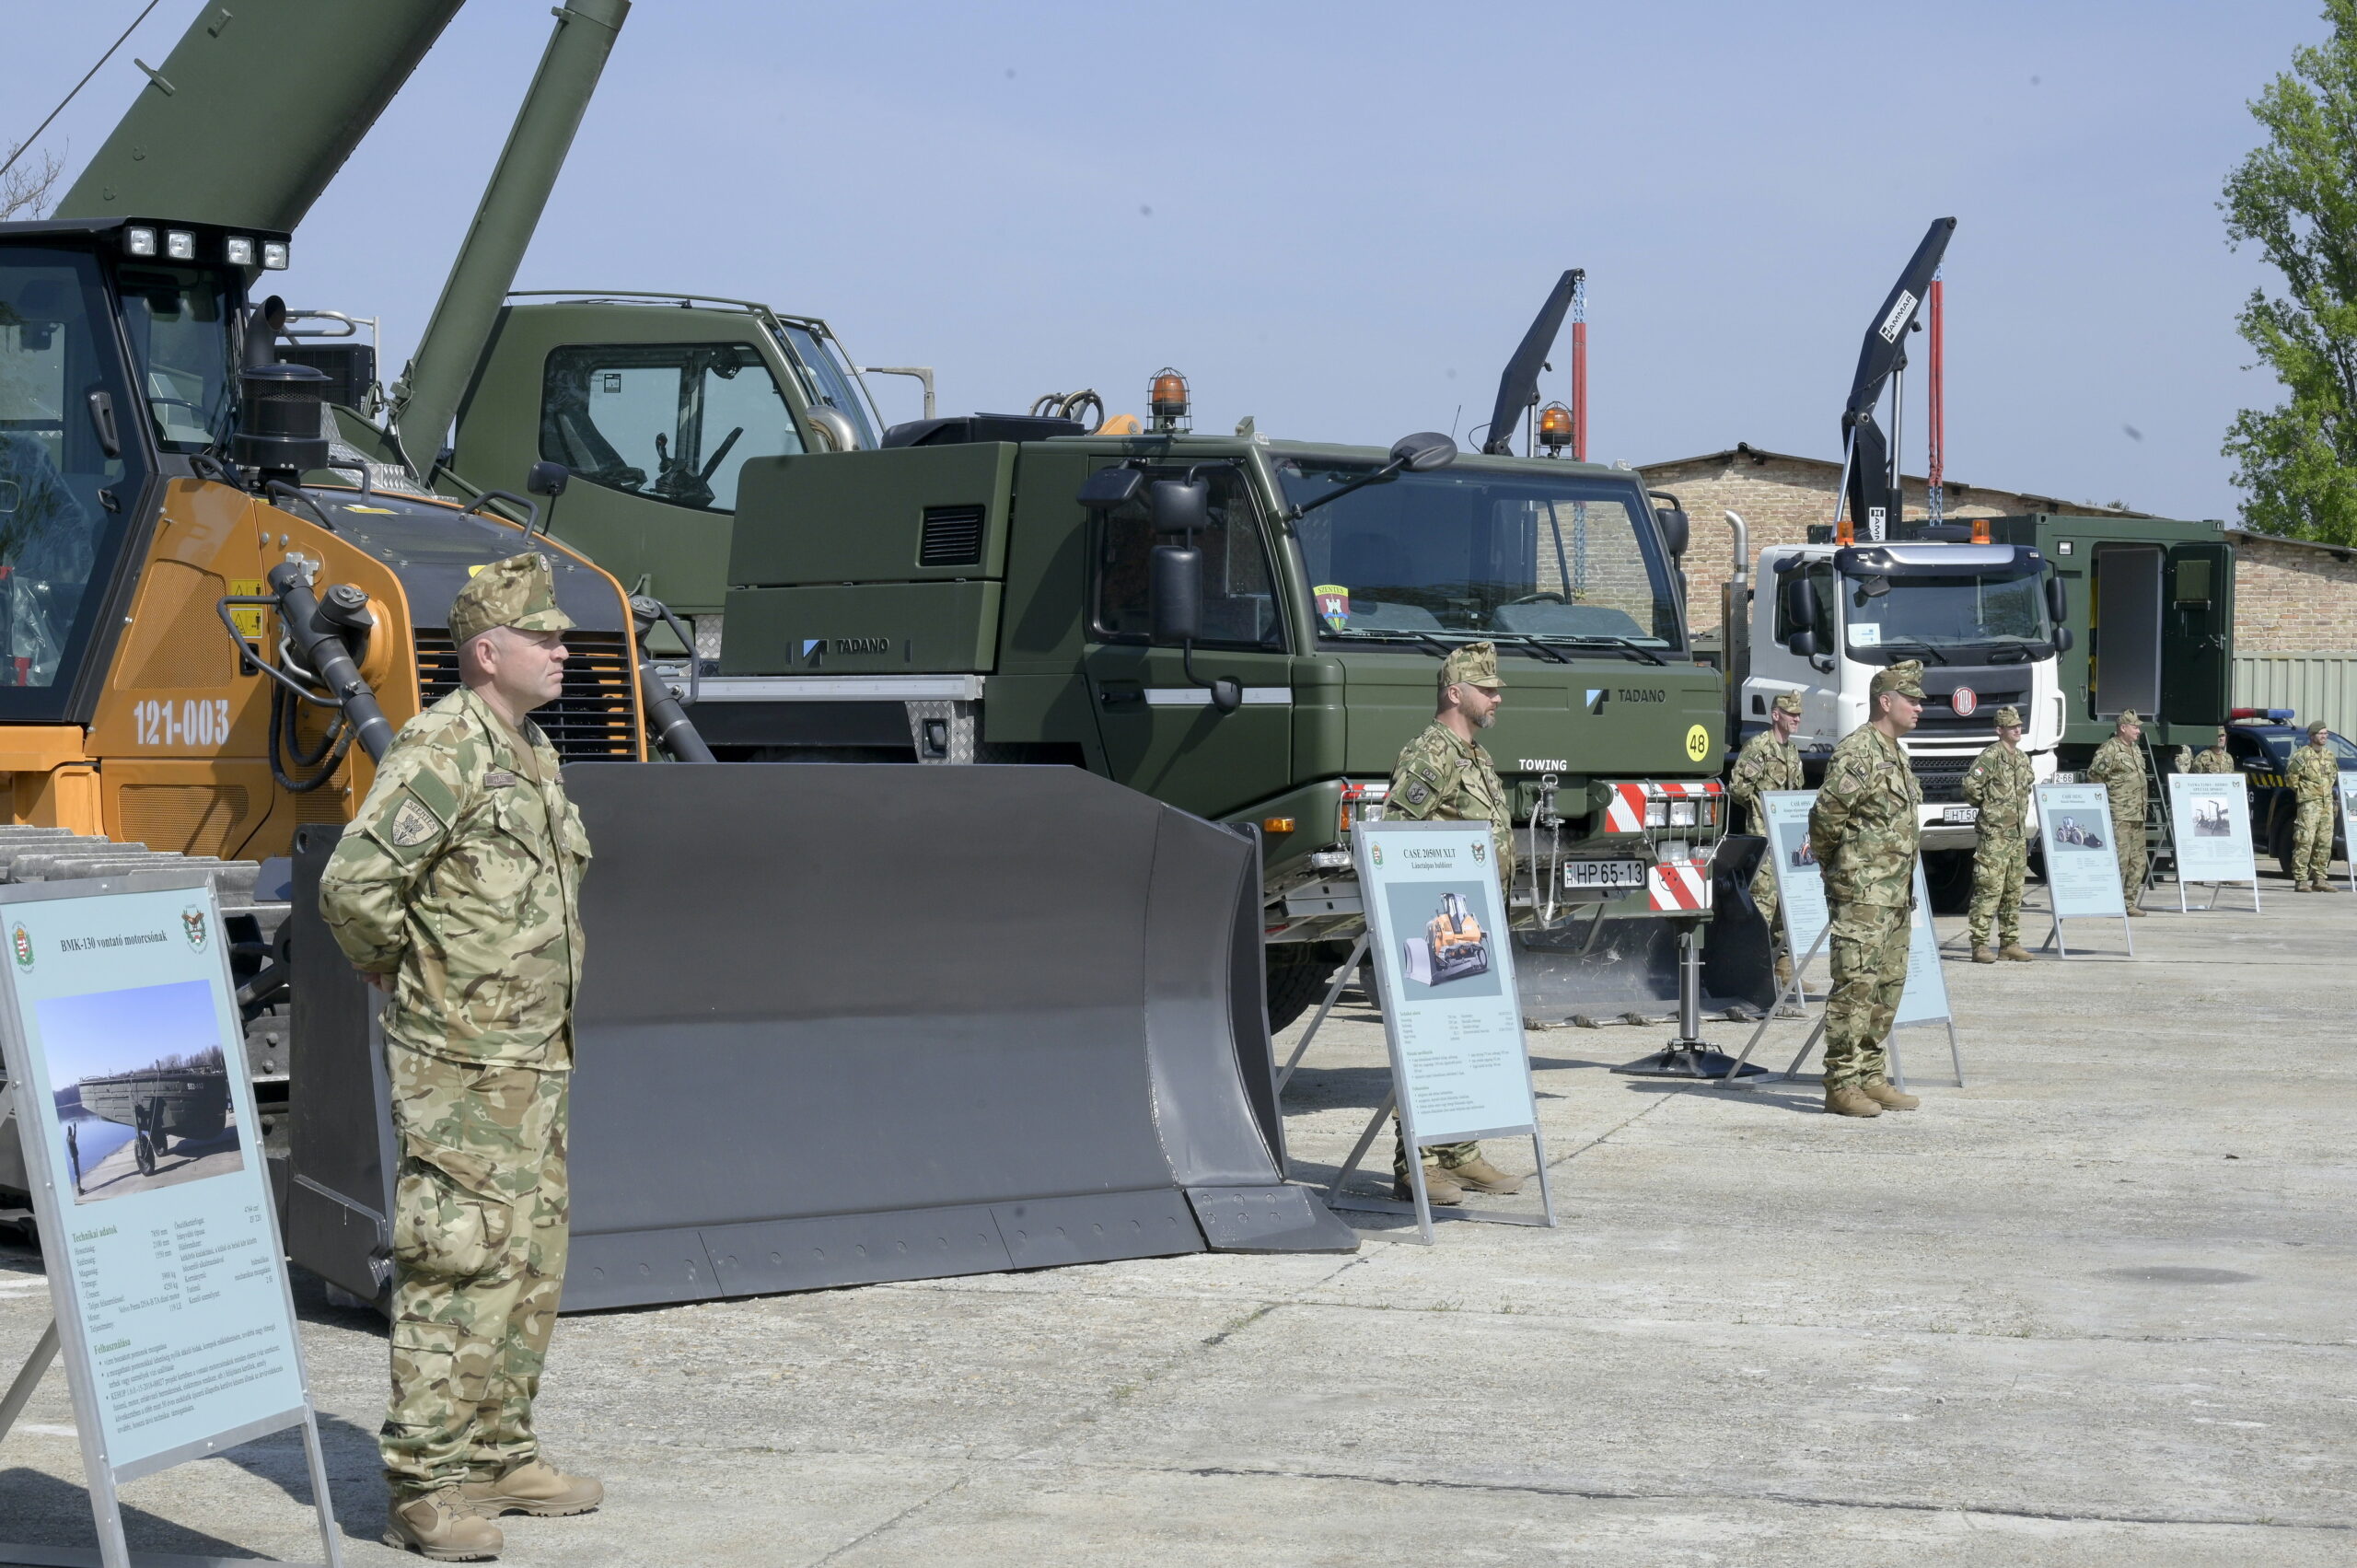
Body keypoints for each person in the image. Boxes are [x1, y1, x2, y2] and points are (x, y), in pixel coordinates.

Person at [319, 553, 599, 1562]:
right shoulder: (442, 749)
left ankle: (499, 1449)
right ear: (489, 651)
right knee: (457, 1262)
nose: (565, 651)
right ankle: (422, 1483)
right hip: (463, 1064)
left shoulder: (527, 751)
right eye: (547, 636)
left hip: (534, 1061)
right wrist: (400, 974)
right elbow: (354, 889)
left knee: (529, 1263)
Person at [1382, 641, 1526, 1204]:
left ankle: (1460, 1153)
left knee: (1468, 1041)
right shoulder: (1430, 755)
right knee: (1429, 1044)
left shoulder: (1477, 758)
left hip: (1478, 930)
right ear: (1454, 691)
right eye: (1487, 689)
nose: (1496, 699)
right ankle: (1413, 1162)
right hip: (1436, 931)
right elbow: (1395, 833)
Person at [1807, 660, 1926, 1119]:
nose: (1918, 707)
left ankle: (1871, 1075)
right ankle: (1840, 1083)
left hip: (1895, 897)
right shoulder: (1858, 751)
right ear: (1885, 701)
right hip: (1862, 896)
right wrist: (1839, 872)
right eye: (1911, 699)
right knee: (1854, 989)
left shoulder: (1896, 752)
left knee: (1886, 989)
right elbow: (1825, 820)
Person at [1730, 692, 1806, 989]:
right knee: (1763, 903)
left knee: (1787, 907)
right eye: (1790, 714)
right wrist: (1760, 809)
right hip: (1764, 839)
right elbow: (1737, 788)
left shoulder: (1792, 752)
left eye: (1798, 714)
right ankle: (1755, 971)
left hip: (1787, 839)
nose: (1796, 719)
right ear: (1776, 715)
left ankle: (1783, 968)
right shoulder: (1759, 747)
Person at [1963, 705, 2036, 965]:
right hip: (1995, 836)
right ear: (1999, 730)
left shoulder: (2022, 758)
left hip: (2016, 836)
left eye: (2018, 725)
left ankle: (2010, 943)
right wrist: (1990, 810)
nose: (2017, 729)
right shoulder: (1990, 757)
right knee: (1988, 890)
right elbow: (1971, 786)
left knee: (2014, 891)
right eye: (2011, 726)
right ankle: (1980, 944)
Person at [2084, 710, 2150, 915]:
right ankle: (2111, 901)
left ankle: (2128, 902)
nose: (2138, 731)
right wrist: (2105, 804)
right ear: (2123, 727)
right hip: (2119, 813)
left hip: (2137, 813)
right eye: (2135, 727)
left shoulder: (2135, 750)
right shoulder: (2110, 749)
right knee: (2119, 860)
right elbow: (2094, 776)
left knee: (2137, 861)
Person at [2287, 718, 2341, 891]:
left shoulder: (2329, 756)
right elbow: (2291, 779)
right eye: (2321, 733)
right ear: (2312, 736)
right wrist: (2305, 792)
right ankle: (2301, 879)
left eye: (2326, 734)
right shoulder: (2302, 755)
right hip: (2309, 804)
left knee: (2325, 842)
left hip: (2326, 804)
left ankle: (2320, 878)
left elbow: (2332, 777)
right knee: (2305, 840)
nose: (2324, 737)